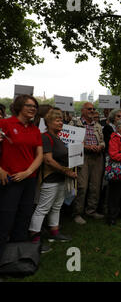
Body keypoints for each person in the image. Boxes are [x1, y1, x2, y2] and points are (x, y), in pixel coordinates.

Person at [0, 95, 43, 259]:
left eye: (35, 106)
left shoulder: (35, 129)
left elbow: (39, 155)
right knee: (5, 220)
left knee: (23, 218)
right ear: (19, 106)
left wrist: (27, 172)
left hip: (29, 179)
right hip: (9, 180)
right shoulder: (5, 124)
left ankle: (15, 259)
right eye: (29, 105)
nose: (33, 109)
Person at [29, 109, 76, 246]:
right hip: (50, 178)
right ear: (48, 123)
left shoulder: (58, 138)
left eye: (61, 120)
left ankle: (54, 233)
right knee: (43, 208)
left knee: (56, 207)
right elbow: (48, 160)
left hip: (60, 178)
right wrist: (65, 171)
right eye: (57, 120)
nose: (60, 122)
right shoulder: (46, 137)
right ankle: (35, 239)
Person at [69, 102, 105, 224]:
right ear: (83, 111)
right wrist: (86, 147)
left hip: (97, 157)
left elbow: (103, 141)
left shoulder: (98, 125)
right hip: (81, 157)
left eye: (93, 109)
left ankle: (91, 211)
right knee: (82, 186)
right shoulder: (75, 124)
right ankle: (77, 213)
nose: (92, 110)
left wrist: (100, 146)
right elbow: (69, 141)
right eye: (89, 109)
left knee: (95, 186)